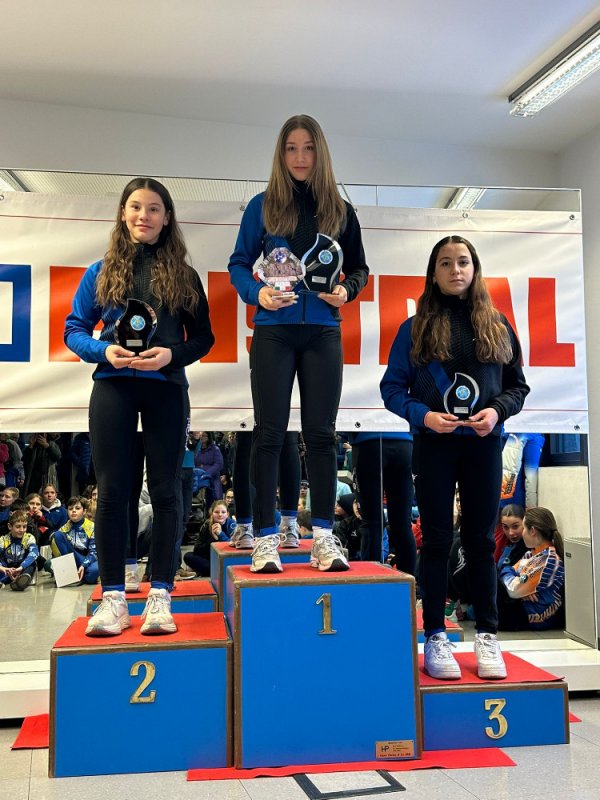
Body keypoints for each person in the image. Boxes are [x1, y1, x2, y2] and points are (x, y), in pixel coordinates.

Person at [64, 177, 214, 636]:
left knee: (166, 493)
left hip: (166, 388)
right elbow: (74, 330)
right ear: (123, 213)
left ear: (166, 218)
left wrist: (171, 355)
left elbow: (203, 338)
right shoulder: (100, 271)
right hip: (113, 386)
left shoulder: (184, 276)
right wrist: (102, 351)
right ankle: (113, 598)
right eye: (135, 206)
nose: (143, 216)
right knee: (112, 492)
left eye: (153, 208)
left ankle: (160, 596)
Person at [380, 235, 529, 680]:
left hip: (484, 444)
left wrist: (496, 412)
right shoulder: (414, 329)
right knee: (437, 540)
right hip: (434, 446)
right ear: (434, 272)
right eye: (445, 263)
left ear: (474, 268)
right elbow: (392, 389)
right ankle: (435, 637)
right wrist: (424, 416)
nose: (455, 270)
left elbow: (517, 387)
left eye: (463, 262)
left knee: (481, 542)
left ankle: (488, 635)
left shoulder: (498, 325)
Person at [228, 114, 369, 574]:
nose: (300, 157)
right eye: (291, 148)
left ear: (320, 152)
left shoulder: (341, 210)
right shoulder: (262, 206)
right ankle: (265, 538)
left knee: (322, 435)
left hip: (323, 331)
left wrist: (346, 290)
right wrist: (258, 293)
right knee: (269, 434)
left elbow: (360, 269)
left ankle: (324, 537)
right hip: (274, 330)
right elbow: (238, 264)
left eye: (308, 148)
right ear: (281, 154)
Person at [498, 506, 565, 631]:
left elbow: (513, 588)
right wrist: (522, 590)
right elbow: (512, 576)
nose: (514, 533)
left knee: (493, 582)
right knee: (493, 580)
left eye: (523, 528)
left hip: (537, 617)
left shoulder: (549, 560)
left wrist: (519, 586)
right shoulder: (531, 554)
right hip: (523, 608)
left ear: (532, 531)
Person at [49, 496, 99, 585]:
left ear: (84, 511)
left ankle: (76, 574)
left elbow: (94, 552)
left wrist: (84, 565)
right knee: (49, 563)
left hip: (87, 558)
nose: (73, 511)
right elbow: (57, 551)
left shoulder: (92, 527)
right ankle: (72, 572)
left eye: (77, 508)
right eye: (70, 509)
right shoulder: (64, 529)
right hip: (71, 559)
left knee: (93, 572)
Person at [183, 500, 236, 577]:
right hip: (210, 559)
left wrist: (220, 534)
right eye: (216, 512)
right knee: (188, 556)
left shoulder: (232, 525)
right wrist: (213, 539)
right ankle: (211, 571)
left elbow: (233, 548)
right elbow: (197, 550)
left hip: (227, 560)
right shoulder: (207, 524)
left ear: (227, 514)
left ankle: (202, 571)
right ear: (212, 513)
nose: (220, 515)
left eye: (223, 512)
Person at [0, 510, 39, 591]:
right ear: (10, 526)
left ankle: (21, 581)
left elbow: (34, 552)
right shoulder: (3, 539)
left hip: (22, 567)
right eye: (18, 527)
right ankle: (7, 581)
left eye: (24, 526)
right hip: (8, 569)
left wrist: (21, 567)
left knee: (32, 563)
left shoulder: (29, 537)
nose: (22, 530)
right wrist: (2, 568)